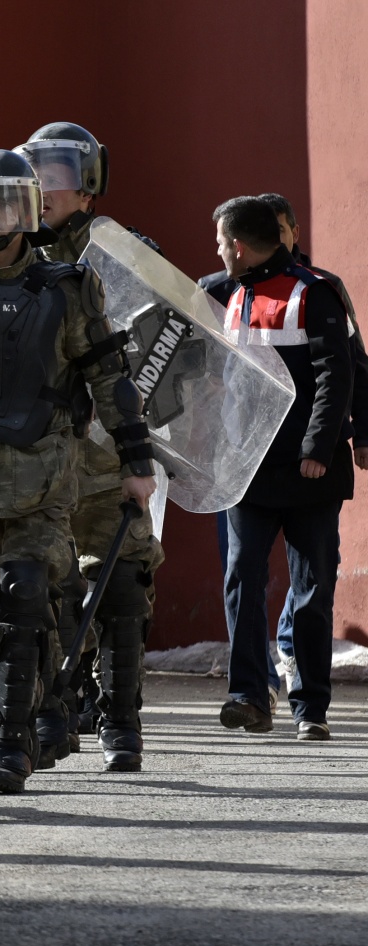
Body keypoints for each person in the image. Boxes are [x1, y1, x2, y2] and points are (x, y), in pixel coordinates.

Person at [0, 149, 156, 792]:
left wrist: (135, 462)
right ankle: (39, 700)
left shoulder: (67, 286)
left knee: (21, 595)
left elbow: (108, 376)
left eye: (2, 201)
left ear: (25, 209)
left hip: (42, 477)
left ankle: (7, 744)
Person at [16, 122, 165, 772]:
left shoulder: (128, 256)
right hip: (39, 465)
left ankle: (121, 724)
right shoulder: (10, 260)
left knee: (126, 588)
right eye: (36, 174)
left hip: (107, 457)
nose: (45, 188)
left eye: (59, 174)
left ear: (89, 182)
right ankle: (53, 716)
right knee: (47, 595)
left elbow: (171, 350)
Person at [213, 195, 353, 742]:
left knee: (312, 588)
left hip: (308, 471)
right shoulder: (221, 292)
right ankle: (249, 696)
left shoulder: (313, 294)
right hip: (247, 470)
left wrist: (320, 448)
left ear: (240, 247)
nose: (217, 251)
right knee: (242, 577)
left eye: (221, 242)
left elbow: (336, 373)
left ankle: (310, 707)